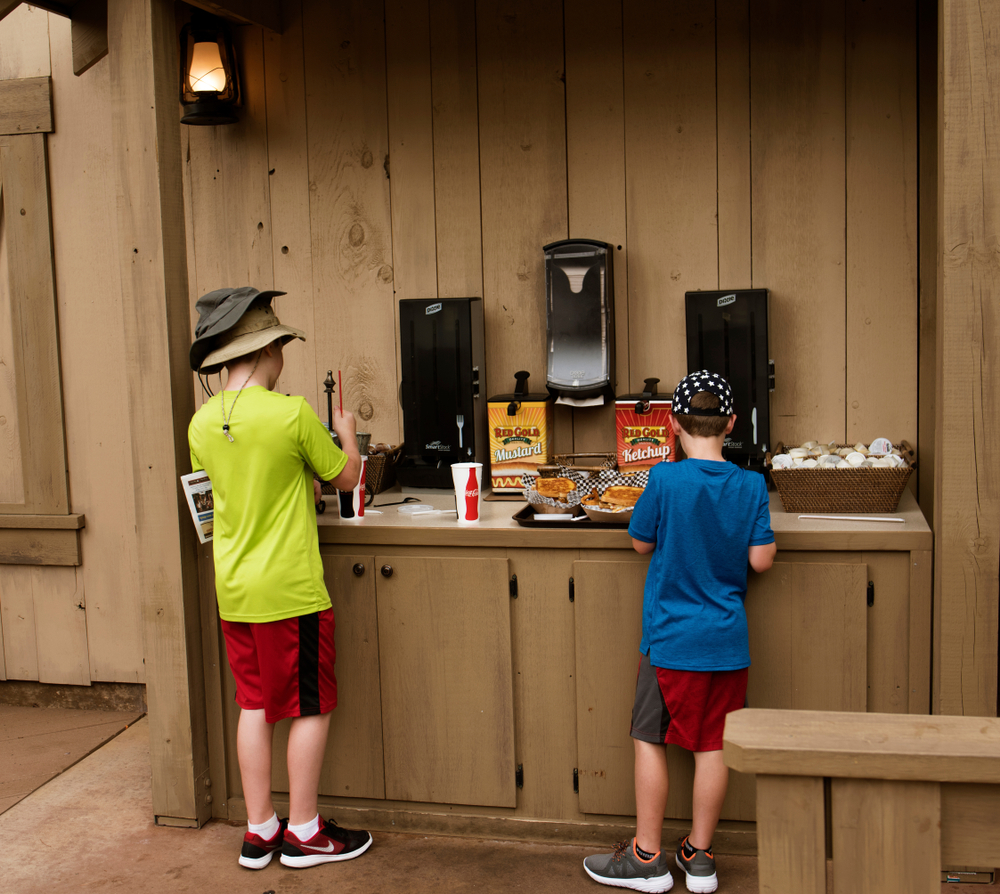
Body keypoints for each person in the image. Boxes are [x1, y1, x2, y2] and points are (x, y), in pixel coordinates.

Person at [188, 287, 373, 871]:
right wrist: (345, 430)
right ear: (270, 350)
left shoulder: (201, 423)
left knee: (254, 705)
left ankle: (260, 829)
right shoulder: (291, 413)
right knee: (310, 707)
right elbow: (346, 477)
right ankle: (306, 831)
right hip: (291, 590)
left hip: (234, 588)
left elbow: (229, 491)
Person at [584, 371, 776, 894]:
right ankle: (700, 857)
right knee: (712, 746)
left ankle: (647, 859)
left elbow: (640, 543)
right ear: (731, 424)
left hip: (670, 643)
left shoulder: (665, 480)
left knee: (650, 739)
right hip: (727, 644)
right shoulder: (751, 485)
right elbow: (761, 560)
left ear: (671, 425)